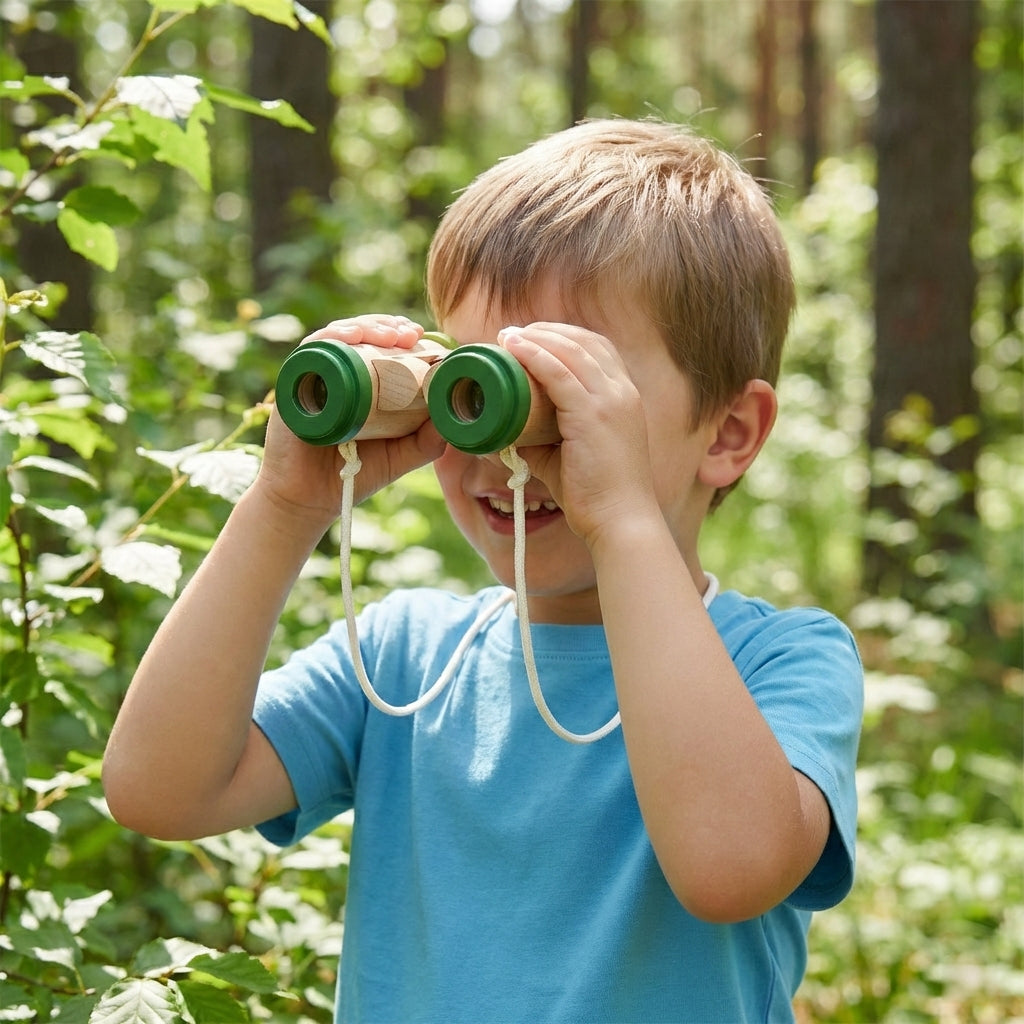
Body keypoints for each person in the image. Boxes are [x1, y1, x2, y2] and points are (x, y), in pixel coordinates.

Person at [103, 118, 863, 1023]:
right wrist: (284, 504)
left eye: (557, 395)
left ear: (728, 433)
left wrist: (621, 520)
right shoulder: (404, 659)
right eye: (470, 385)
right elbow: (158, 789)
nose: (503, 449)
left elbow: (728, 869)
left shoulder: (781, 661)